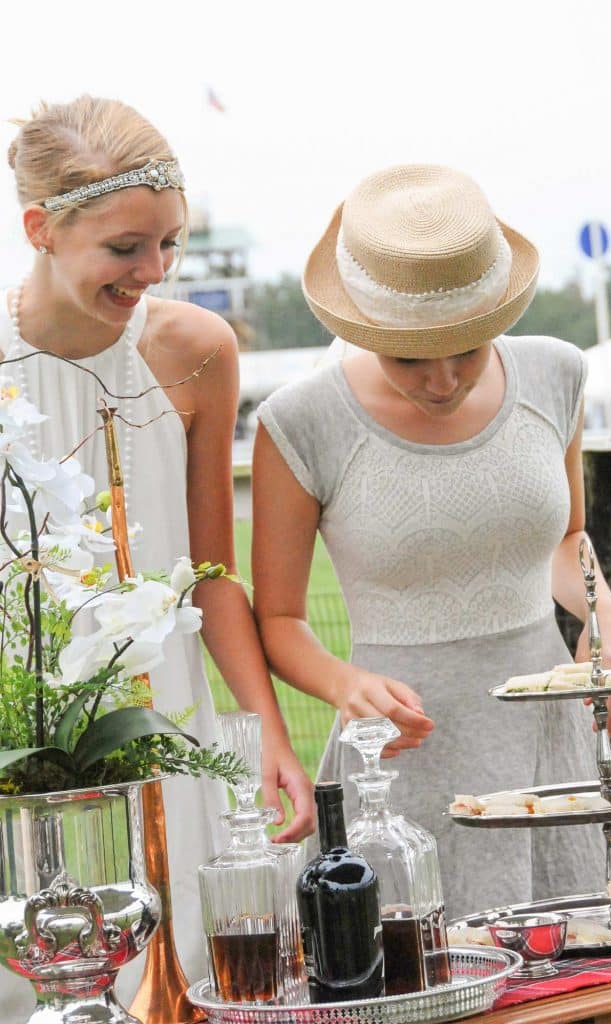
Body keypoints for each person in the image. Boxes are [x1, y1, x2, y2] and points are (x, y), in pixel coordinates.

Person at [252, 164, 611, 919]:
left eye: (466, 350)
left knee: (586, 968)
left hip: (549, 742)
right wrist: (344, 685)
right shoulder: (299, 422)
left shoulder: (555, 374)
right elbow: (278, 619)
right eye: (409, 359)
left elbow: (565, 537)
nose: (441, 381)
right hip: (401, 756)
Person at [1, 95, 314, 1017]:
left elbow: (213, 573)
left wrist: (265, 736)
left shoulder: (194, 349)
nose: (154, 269)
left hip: (168, 723)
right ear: (41, 230)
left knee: (181, 969)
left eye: (169, 243)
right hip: (24, 729)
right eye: (125, 247)